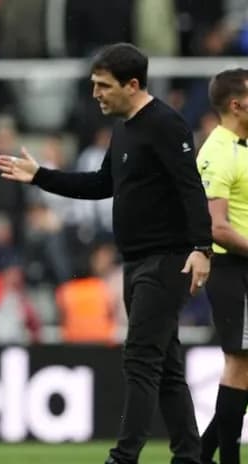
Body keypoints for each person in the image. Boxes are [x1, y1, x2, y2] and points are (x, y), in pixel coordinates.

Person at [0, 42, 211, 464]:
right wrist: (40, 176)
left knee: (141, 359)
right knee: (165, 367)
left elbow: (190, 188)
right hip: (135, 261)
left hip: (167, 259)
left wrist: (202, 248)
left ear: (132, 85)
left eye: (103, 85)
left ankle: (123, 457)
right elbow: (101, 184)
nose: (95, 93)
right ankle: (189, 454)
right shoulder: (125, 128)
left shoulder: (166, 124)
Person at [195, 68, 248, 464]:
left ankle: (200, 455)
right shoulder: (219, 151)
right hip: (233, 268)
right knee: (239, 363)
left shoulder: (241, 145)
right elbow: (218, 228)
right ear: (236, 104)